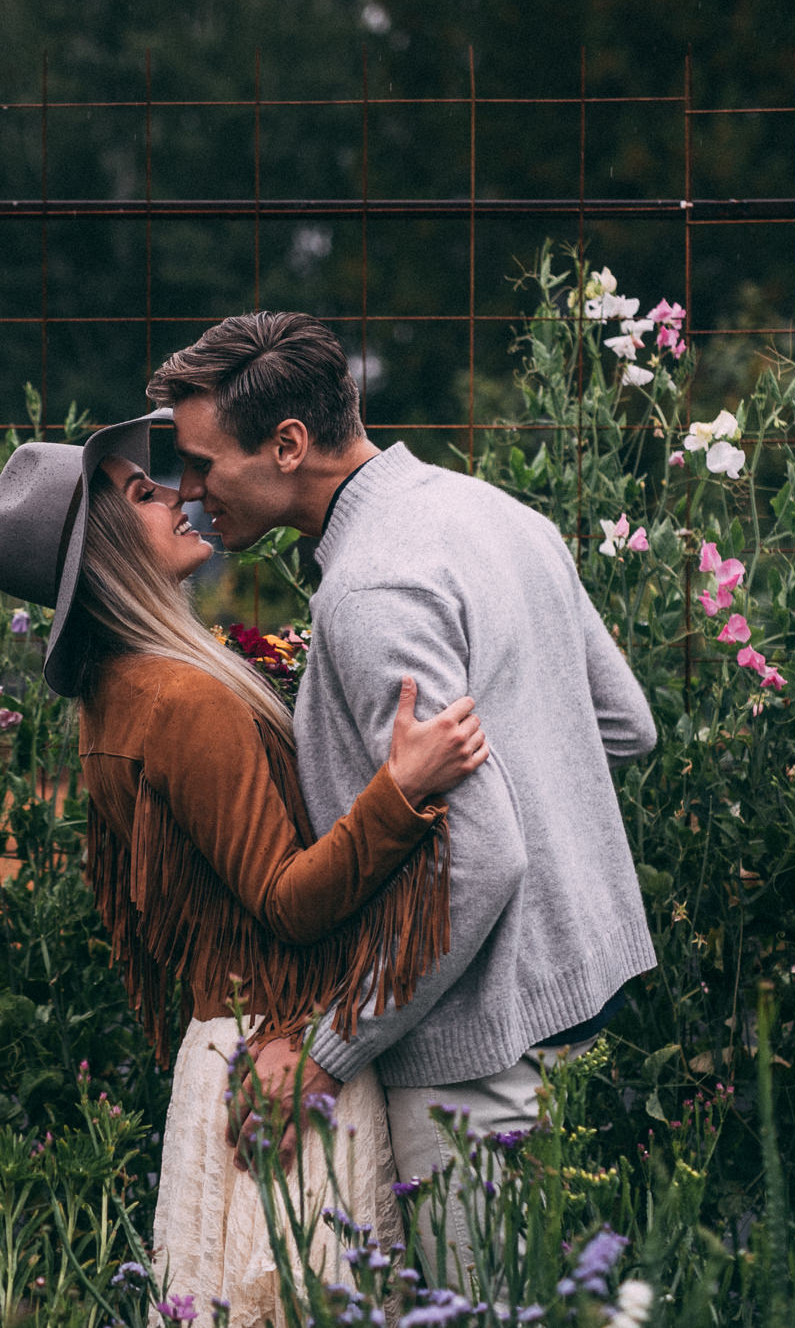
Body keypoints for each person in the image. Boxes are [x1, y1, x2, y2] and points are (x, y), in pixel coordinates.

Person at [146, 311, 659, 1292]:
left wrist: (327, 1053)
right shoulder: (496, 512)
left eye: (203, 462)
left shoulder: (371, 585)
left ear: (287, 446)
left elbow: (480, 855)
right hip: (571, 1012)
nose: (189, 491)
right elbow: (623, 723)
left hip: (470, 1049)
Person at [0, 413, 491, 1325]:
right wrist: (400, 789)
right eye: (143, 494)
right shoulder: (181, 698)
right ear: (103, 552)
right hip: (281, 1053)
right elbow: (289, 902)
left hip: (222, 1045)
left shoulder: (116, 699)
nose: (180, 491)